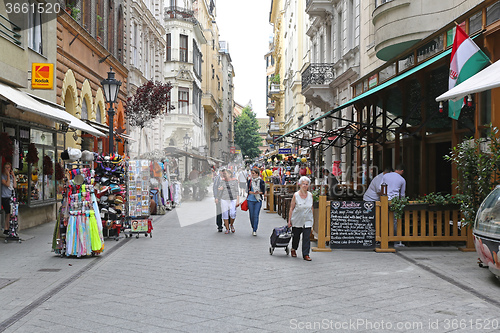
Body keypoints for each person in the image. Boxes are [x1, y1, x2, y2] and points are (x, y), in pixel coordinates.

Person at [287, 176, 314, 261]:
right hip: (297, 219)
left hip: (307, 220)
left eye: (306, 184)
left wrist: (312, 218)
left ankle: (306, 254)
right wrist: (289, 220)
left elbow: (311, 207)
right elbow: (291, 208)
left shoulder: (310, 195)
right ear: (300, 185)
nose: (305, 186)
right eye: (303, 184)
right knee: (296, 236)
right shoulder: (296, 195)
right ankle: (293, 248)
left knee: (306, 237)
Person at [381, 164, 406, 247]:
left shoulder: (386, 176)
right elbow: (402, 194)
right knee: (395, 221)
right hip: (395, 201)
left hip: (385, 200)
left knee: (383, 219)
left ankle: (382, 239)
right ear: (402, 171)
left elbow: (379, 187)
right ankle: (396, 241)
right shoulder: (402, 179)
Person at [218, 169, 239, 234]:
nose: (224, 175)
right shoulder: (222, 181)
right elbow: (219, 188)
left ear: (230, 174)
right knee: (225, 214)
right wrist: (220, 188)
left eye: (225, 173)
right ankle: (227, 228)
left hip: (233, 199)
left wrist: (238, 201)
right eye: (223, 174)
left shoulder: (235, 181)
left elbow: (237, 191)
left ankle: (231, 224)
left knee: (233, 214)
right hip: (224, 199)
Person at [247, 168, 265, 236]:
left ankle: (255, 229)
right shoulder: (250, 181)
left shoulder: (261, 181)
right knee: (251, 215)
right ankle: (253, 226)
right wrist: (251, 192)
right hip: (250, 200)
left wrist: (258, 192)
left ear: (257, 174)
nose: (252, 174)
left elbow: (263, 192)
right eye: (252, 173)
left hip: (258, 200)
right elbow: (247, 190)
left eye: (253, 173)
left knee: (256, 215)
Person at [2, 162, 16, 235]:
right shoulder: (3, 176)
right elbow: (7, 184)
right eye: (6, 168)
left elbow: (15, 186)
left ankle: (8, 228)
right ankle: (6, 228)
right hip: (5, 197)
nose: (7, 169)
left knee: (10, 213)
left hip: (11, 196)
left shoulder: (10, 176)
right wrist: (7, 175)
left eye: (8, 168)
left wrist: (13, 176)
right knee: (8, 212)